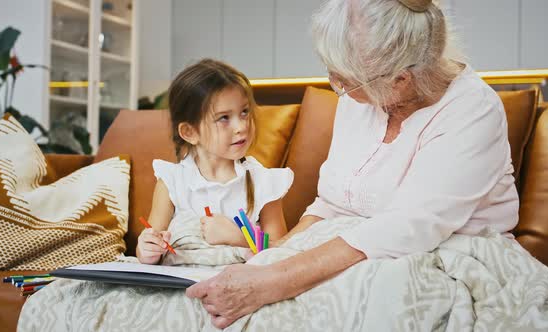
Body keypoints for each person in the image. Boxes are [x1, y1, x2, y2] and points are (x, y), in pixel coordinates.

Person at [186, 0, 519, 328]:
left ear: (400, 79)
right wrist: (273, 257)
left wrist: (273, 281)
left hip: (442, 252)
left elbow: (407, 228)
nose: (338, 88)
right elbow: (331, 203)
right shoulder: (364, 98)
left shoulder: (473, 111)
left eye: (343, 79)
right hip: (359, 248)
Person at [136, 59, 293, 265]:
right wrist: (147, 248)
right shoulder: (172, 181)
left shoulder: (262, 181)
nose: (241, 126)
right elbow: (149, 249)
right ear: (190, 132)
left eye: (244, 112)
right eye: (224, 118)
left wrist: (238, 237)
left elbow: (281, 251)